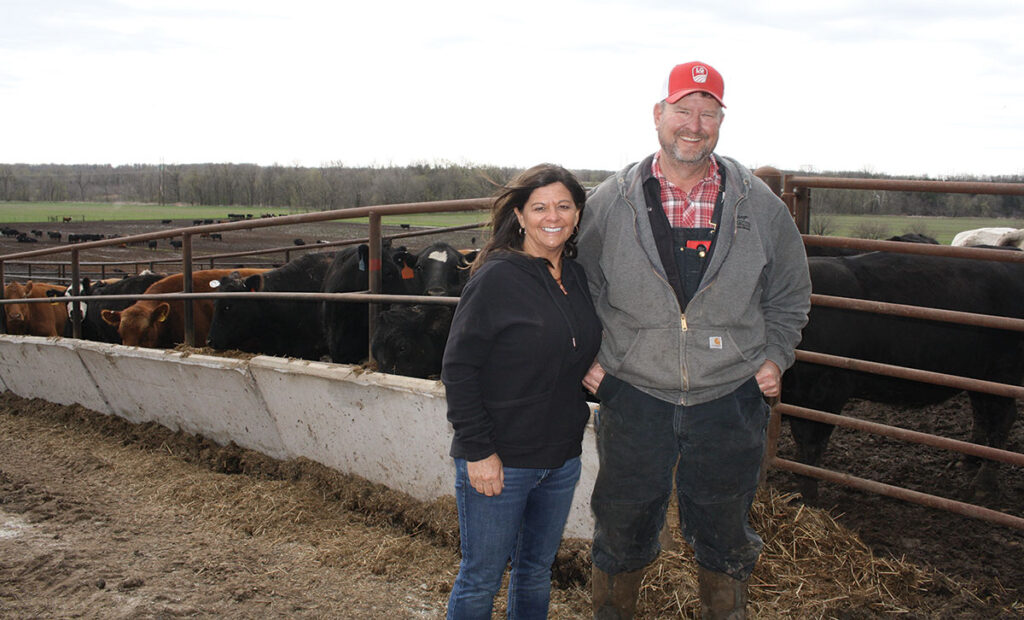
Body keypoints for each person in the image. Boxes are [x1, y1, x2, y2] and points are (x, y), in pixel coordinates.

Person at [576, 61, 811, 619]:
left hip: (729, 396)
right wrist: (587, 357)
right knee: (622, 519)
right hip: (634, 393)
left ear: (721, 122)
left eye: (708, 113)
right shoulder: (612, 201)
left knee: (725, 527)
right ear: (659, 115)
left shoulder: (760, 205)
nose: (694, 124)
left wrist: (776, 354)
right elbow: (579, 287)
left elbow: (790, 293)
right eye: (683, 109)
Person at [442, 163, 602, 619]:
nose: (553, 216)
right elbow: (459, 366)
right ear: (519, 215)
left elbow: (569, 339)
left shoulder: (575, 276)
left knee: (535, 570)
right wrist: (477, 451)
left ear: (576, 214)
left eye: (564, 206)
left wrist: (592, 364)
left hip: (560, 459)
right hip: (502, 459)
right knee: (482, 576)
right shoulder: (496, 278)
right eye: (539, 207)